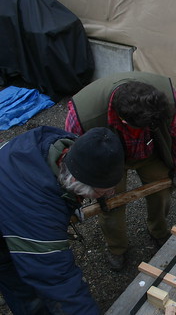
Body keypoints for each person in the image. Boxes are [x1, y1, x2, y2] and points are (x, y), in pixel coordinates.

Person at [65, 71, 176, 271]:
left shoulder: (165, 98)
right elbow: (75, 157)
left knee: (162, 192)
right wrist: (80, 193)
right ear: (123, 120)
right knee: (110, 205)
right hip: (107, 159)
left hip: (149, 151)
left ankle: (158, 230)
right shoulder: (83, 114)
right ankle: (117, 247)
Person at [0, 126, 125, 314]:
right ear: (77, 184)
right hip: (12, 212)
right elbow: (58, 282)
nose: (111, 194)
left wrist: (72, 202)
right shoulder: (37, 214)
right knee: (27, 291)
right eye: (104, 191)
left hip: (11, 193)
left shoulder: (64, 144)